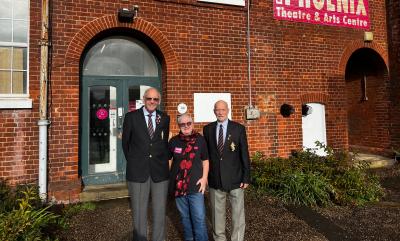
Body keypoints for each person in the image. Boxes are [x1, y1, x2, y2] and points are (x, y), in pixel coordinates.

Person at [122, 87, 170, 241]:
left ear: (159, 101)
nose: (152, 102)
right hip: (138, 171)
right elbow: (126, 144)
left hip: (160, 171)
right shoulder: (131, 117)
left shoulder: (164, 118)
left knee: (160, 211)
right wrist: (135, 161)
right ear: (144, 99)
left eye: (155, 99)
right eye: (149, 98)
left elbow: (163, 143)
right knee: (139, 211)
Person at [203, 100, 251, 241]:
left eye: (223, 109)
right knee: (217, 216)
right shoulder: (208, 129)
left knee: (238, 214)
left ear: (228, 110)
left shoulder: (238, 128)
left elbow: (244, 154)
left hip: (236, 179)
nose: (220, 112)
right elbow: (205, 155)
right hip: (215, 179)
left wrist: (246, 177)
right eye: (218, 109)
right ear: (214, 111)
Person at [168, 113, 209, 241]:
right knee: (185, 218)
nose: (186, 126)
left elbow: (205, 160)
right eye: (182, 124)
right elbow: (169, 160)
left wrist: (204, 179)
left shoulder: (200, 140)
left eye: (188, 123)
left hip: (195, 186)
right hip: (179, 187)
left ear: (192, 124)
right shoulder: (173, 141)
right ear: (178, 125)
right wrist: (173, 176)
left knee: (199, 218)